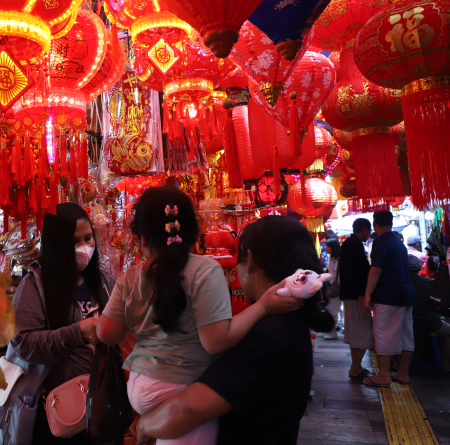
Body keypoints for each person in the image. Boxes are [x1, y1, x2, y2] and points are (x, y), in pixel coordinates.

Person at [95, 187, 300, 445]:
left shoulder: (131, 277)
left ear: (143, 238)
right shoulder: (205, 270)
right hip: (181, 391)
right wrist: (263, 307)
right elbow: (215, 342)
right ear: (194, 232)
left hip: (140, 385)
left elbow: (106, 333)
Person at [132, 216, 335, 445]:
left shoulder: (271, 334)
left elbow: (187, 410)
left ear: (249, 261)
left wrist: (146, 424)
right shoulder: (283, 320)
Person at [11, 203, 115, 445]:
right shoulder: (35, 285)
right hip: (60, 411)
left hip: (106, 406)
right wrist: (77, 332)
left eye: (88, 238)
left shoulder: (106, 282)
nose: (84, 248)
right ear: (57, 244)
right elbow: (23, 343)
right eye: (74, 241)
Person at [363, 211, 415, 387]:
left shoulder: (381, 241)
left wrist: (368, 293)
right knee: (406, 334)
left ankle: (383, 375)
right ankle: (403, 373)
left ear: (375, 224)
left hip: (388, 293)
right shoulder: (399, 243)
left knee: (383, 333)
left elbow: (376, 269)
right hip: (406, 292)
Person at [338, 218, 373, 381]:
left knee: (356, 331)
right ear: (364, 229)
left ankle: (356, 366)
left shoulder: (349, 243)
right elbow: (354, 271)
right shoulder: (354, 244)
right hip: (355, 296)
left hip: (351, 294)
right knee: (361, 331)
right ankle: (355, 368)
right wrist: (361, 292)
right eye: (369, 230)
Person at [324, 237, 342, 340]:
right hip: (330, 285)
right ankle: (333, 328)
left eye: (328, 246)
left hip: (337, 286)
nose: (326, 248)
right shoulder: (331, 257)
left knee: (333, 309)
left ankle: (333, 331)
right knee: (331, 308)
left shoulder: (340, 259)